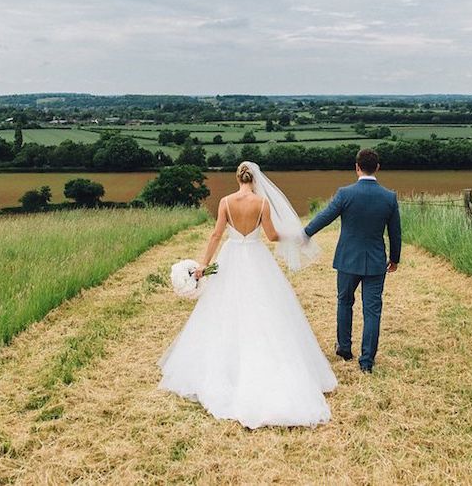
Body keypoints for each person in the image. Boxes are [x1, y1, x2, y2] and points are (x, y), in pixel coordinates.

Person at [158, 161, 337, 429]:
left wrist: (203, 265)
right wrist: (293, 235)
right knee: (265, 309)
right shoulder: (262, 204)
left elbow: (217, 234)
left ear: (238, 178)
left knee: (222, 310)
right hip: (255, 256)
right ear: (255, 179)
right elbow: (273, 236)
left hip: (232, 256)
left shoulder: (226, 202)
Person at [303, 148, 401, 373]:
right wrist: (394, 258)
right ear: (377, 168)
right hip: (376, 262)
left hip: (348, 260)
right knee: (372, 311)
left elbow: (325, 217)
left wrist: (305, 233)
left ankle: (344, 348)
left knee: (344, 302)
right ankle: (367, 362)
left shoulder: (345, 194)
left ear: (357, 167)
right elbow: (395, 233)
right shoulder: (389, 197)